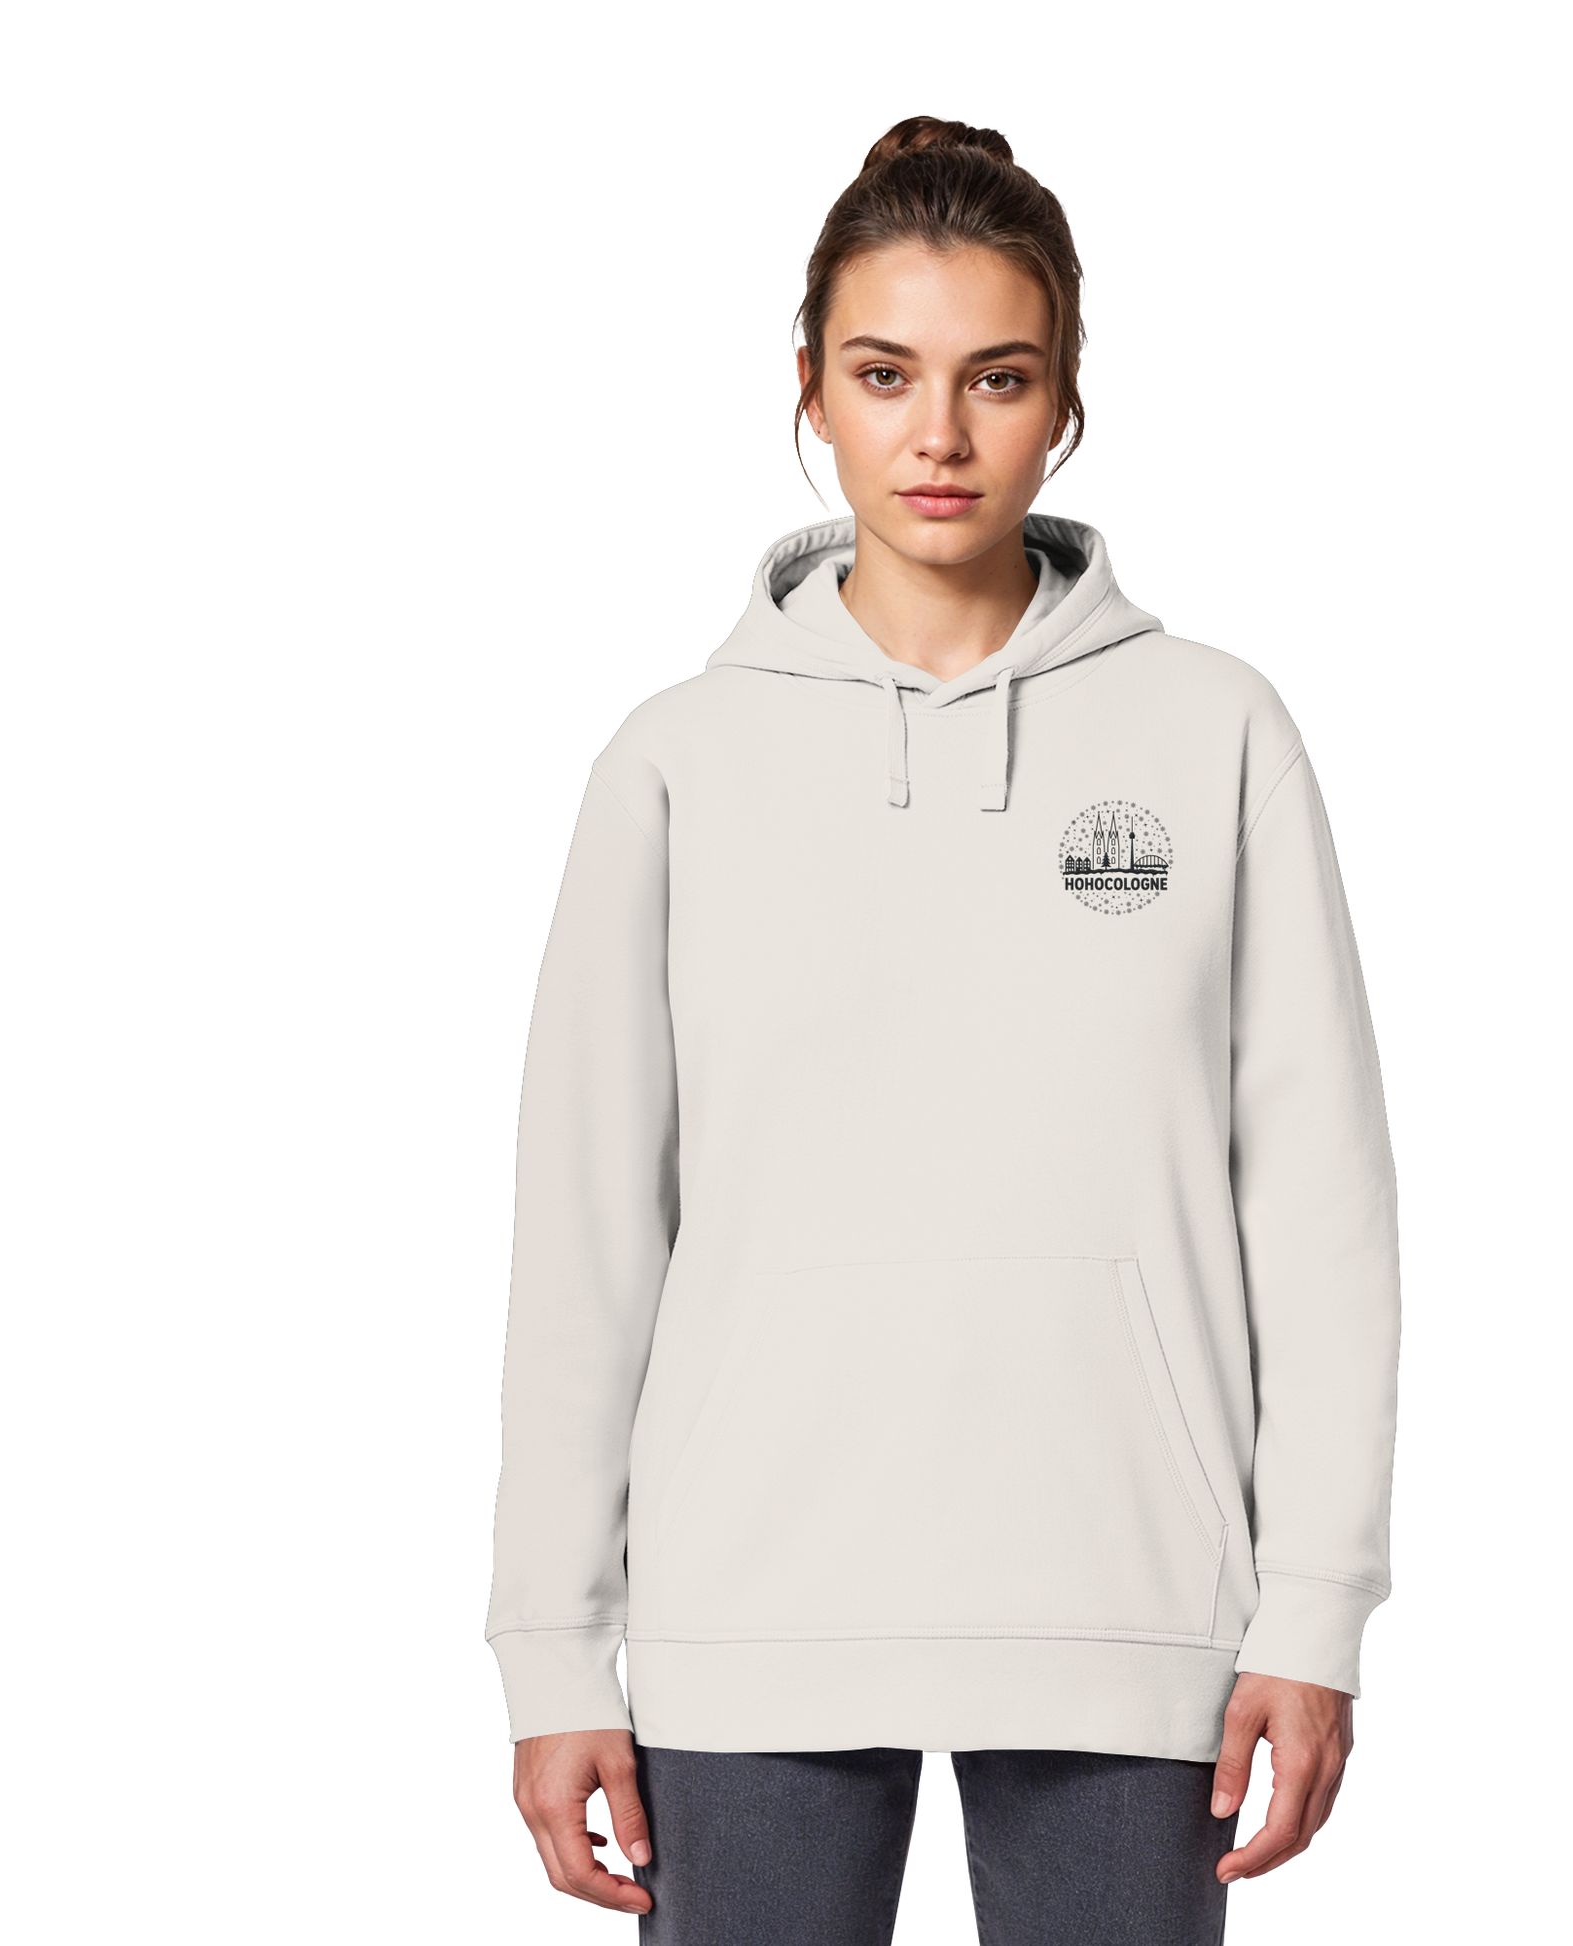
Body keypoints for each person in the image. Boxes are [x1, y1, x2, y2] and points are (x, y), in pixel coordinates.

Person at [485, 112, 1403, 1941]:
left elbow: (1319, 1209)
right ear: (808, 395)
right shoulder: (677, 761)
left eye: (999, 376)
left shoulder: (1214, 731)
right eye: (886, 373)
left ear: (1067, 406)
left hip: (1131, 1609)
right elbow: (585, 1240)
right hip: (746, 1617)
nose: (940, 435)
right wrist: (553, 1643)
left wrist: (1315, 1608)